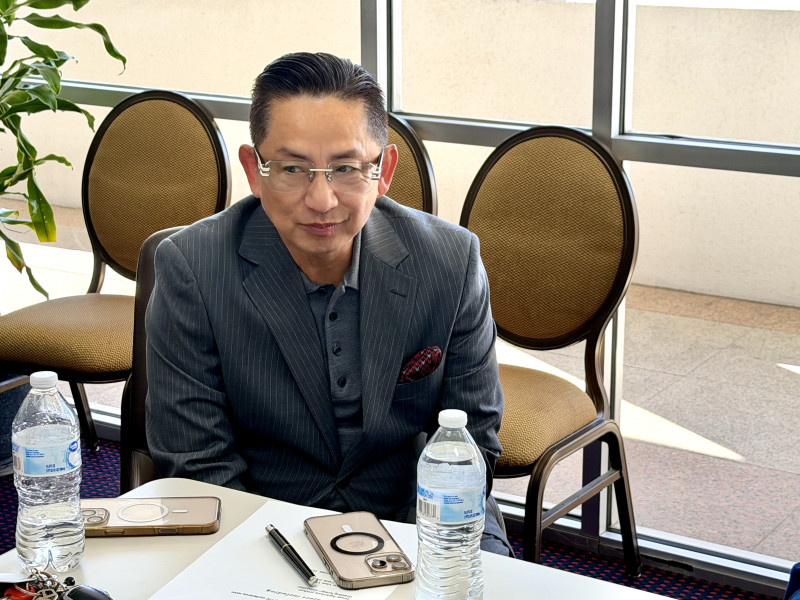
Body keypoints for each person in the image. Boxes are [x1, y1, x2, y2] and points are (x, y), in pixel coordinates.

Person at [145, 52, 512, 555]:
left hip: (421, 516)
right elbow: (198, 462)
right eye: (293, 168)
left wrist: (399, 557)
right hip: (262, 524)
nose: (322, 200)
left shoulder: (451, 261)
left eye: (345, 168)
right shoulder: (193, 266)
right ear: (254, 170)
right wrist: (283, 557)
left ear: (383, 171)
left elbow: (473, 442)